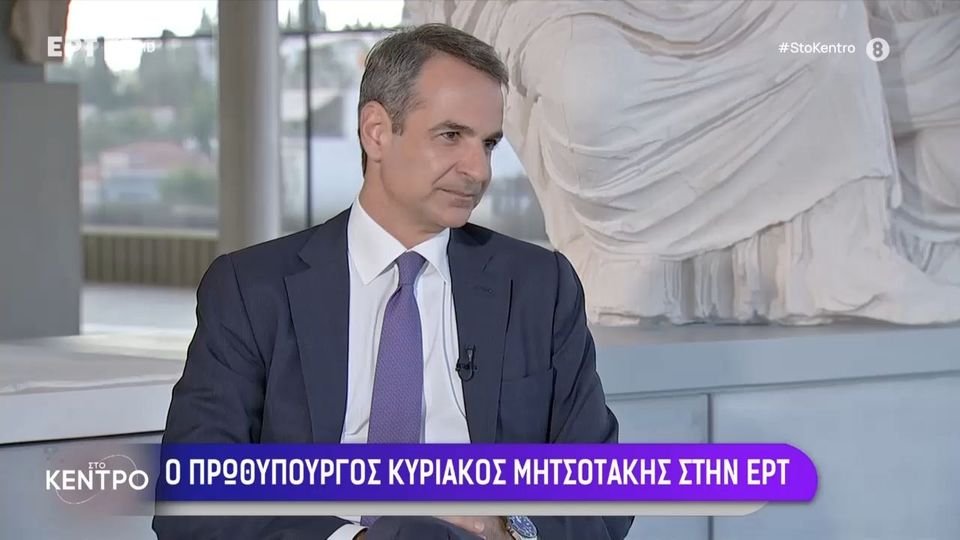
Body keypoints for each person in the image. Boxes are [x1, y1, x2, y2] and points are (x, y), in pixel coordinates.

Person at [153, 23, 632, 540]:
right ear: (376, 131)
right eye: (451, 136)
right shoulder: (251, 290)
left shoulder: (540, 287)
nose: (478, 170)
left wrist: (506, 527)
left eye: (489, 144)